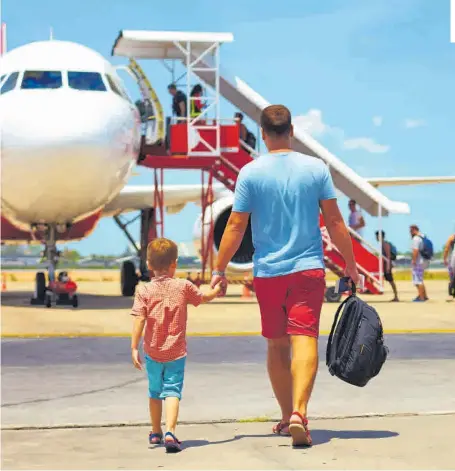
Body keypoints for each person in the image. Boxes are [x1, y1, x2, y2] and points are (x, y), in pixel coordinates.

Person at [209, 104, 359, 447]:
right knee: (305, 338)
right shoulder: (315, 169)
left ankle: (285, 413)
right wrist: (349, 264)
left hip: (268, 273)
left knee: (277, 345)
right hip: (307, 269)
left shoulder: (250, 172)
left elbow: (235, 224)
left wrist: (219, 268)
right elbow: (335, 223)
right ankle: (300, 413)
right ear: (292, 131)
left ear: (262, 134)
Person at [130, 238, 222, 453]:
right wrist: (216, 291)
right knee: (172, 392)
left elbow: (139, 319)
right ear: (175, 263)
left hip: (152, 351)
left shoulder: (143, 291)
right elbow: (203, 297)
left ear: (149, 265)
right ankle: (170, 432)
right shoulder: (183, 286)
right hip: (176, 352)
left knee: (154, 392)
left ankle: (155, 432)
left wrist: (134, 347)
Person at [375, 230, 399, 302]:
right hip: (386, 266)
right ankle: (395, 296)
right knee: (390, 281)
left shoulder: (385, 244)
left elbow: (388, 256)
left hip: (387, 266)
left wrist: (388, 267)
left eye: (376, 236)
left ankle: (396, 296)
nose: (376, 238)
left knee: (391, 281)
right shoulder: (382, 244)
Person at [409, 224, 429, 302]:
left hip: (418, 262)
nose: (410, 232)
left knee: (417, 280)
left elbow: (415, 250)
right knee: (420, 279)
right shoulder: (422, 237)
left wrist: (413, 260)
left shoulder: (416, 239)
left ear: (414, 230)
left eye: (411, 231)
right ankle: (424, 296)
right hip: (423, 261)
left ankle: (421, 297)